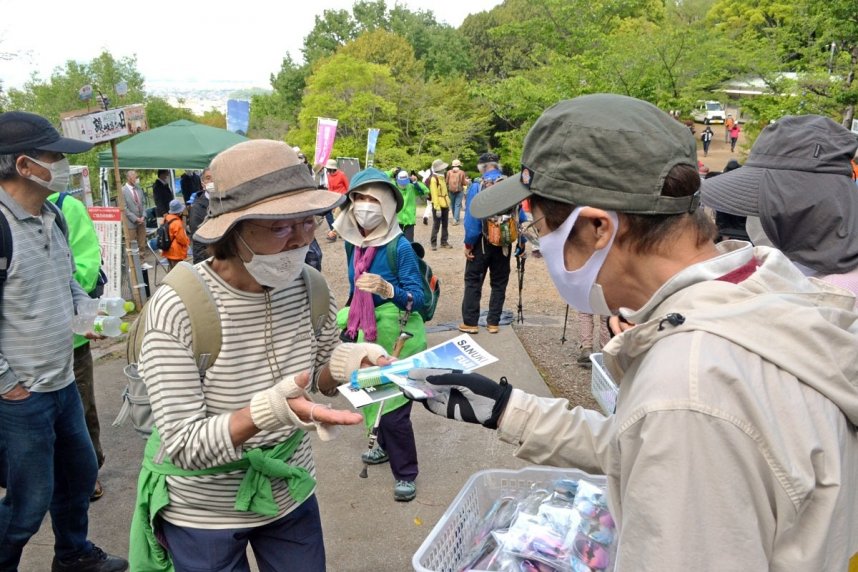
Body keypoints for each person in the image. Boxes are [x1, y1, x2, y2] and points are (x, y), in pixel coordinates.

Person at [405, 95, 858, 570]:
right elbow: (646, 446)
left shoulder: (689, 386)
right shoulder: (763, 289)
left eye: (540, 225)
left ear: (599, 228)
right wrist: (506, 410)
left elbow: (677, 426)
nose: (540, 245)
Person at [130, 140, 390, 571]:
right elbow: (183, 444)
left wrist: (349, 363)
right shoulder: (179, 306)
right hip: (204, 510)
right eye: (280, 227)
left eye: (308, 222)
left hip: (289, 488)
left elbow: (320, 371)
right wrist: (270, 410)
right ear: (235, 229)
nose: (302, 240)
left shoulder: (310, 285)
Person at [0, 111, 128, 571]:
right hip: (21, 396)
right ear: (23, 165)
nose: (63, 165)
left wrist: (86, 314)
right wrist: (8, 384)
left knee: (78, 477)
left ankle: (73, 554)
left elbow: (67, 283)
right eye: (53, 156)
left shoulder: (51, 215)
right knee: (27, 503)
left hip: (61, 381)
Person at [332, 167, 427, 502]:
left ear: (387, 205)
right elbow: (353, 289)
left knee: (396, 408)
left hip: (396, 337)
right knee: (372, 397)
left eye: (372, 199)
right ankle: (381, 448)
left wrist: (388, 289)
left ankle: (406, 473)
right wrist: (349, 322)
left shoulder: (399, 247)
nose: (363, 206)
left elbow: (420, 298)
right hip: (364, 334)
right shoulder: (352, 245)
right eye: (357, 198)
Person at [702, 114, 858, 303]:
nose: (751, 217)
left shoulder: (834, 300)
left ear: (801, 210)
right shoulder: (786, 272)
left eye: (759, 206)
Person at [48, 189, 108, 502]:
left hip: (70, 338)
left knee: (80, 406)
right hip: (21, 347)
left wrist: (54, 302)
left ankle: (88, 471)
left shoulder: (62, 207)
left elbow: (84, 266)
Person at [459, 152, 526, 335]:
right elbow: (519, 216)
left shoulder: (477, 186)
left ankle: (471, 323)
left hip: (481, 240)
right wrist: (522, 243)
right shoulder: (510, 186)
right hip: (504, 241)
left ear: (482, 168)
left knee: (473, 280)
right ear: (498, 165)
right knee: (499, 282)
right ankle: (493, 323)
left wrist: (468, 245)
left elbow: (472, 219)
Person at [394, 169, 428, 242]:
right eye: (401, 182)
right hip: (397, 220)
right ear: (397, 180)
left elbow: (425, 190)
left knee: (409, 242)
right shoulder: (394, 188)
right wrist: (391, 172)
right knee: (396, 242)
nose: (403, 185)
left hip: (409, 219)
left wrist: (415, 182)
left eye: (405, 182)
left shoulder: (412, 187)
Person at [187, 167, 212, 264]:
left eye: (214, 177)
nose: (212, 181)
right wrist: (201, 268)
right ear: (203, 183)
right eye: (208, 178)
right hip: (210, 260)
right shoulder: (197, 209)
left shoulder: (227, 202)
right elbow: (198, 242)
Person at [427, 159, 451, 251]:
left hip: (445, 204)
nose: (444, 169)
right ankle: (433, 243)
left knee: (445, 225)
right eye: (443, 168)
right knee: (436, 225)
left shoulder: (442, 177)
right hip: (438, 205)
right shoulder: (434, 179)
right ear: (439, 169)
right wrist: (437, 208)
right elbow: (434, 194)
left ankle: (444, 242)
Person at [322, 159, 349, 242]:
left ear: (332, 168)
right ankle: (342, 234)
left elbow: (347, 186)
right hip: (334, 198)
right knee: (337, 216)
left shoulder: (341, 175)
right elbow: (330, 188)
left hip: (342, 198)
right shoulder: (329, 176)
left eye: (328, 168)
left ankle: (333, 234)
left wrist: (348, 198)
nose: (327, 170)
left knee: (337, 216)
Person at [122, 170, 148, 251]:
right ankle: (134, 263)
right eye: (134, 178)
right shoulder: (123, 191)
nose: (136, 180)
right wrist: (135, 219)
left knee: (142, 244)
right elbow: (124, 208)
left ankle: (143, 260)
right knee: (132, 245)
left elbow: (144, 203)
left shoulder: (139, 188)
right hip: (131, 223)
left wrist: (143, 216)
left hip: (142, 221)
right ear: (128, 178)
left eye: (136, 177)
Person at [161, 199, 190, 269]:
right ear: (179, 212)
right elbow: (181, 239)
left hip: (167, 249)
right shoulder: (177, 223)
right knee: (178, 272)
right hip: (176, 252)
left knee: (172, 272)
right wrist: (187, 242)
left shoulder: (166, 219)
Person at [445, 159, 467, 225]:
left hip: (451, 190)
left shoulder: (449, 172)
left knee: (453, 205)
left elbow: (446, 182)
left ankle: (455, 218)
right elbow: (464, 183)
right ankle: (455, 219)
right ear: (459, 165)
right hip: (459, 190)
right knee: (457, 205)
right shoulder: (462, 172)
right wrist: (466, 182)